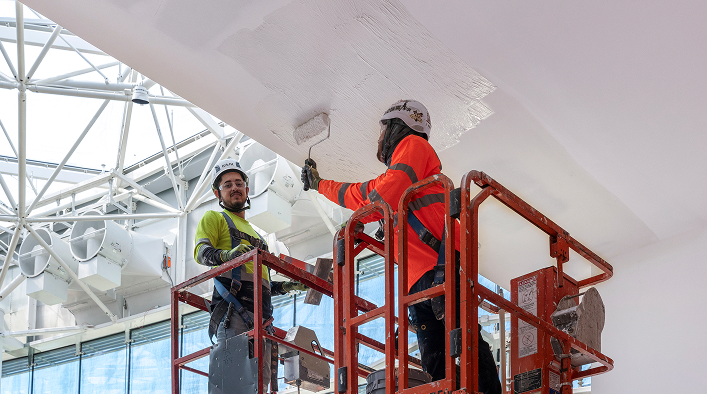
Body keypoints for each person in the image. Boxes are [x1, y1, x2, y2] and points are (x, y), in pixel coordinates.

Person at [301, 100, 500, 393]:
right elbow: (372, 194)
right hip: (419, 278)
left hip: (440, 266)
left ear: (398, 126)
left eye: (383, 129)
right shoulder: (402, 178)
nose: (379, 137)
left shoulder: (413, 145)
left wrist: (325, 187)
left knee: (465, 340)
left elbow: (380, 194)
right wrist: (328, 190)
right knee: (435, 357)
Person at [195, 158, 306, 393]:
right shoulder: (214, 219)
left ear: (246, 189)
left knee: (259, 387)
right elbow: (201, 253)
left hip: (262, 318)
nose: (234, 187)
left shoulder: (259, 237)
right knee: (235, 384)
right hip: (234, 313)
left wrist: (285, 286)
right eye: (227, 185)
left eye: (238, 183)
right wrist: (228, 255)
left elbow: (261, 281)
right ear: (219, 192)